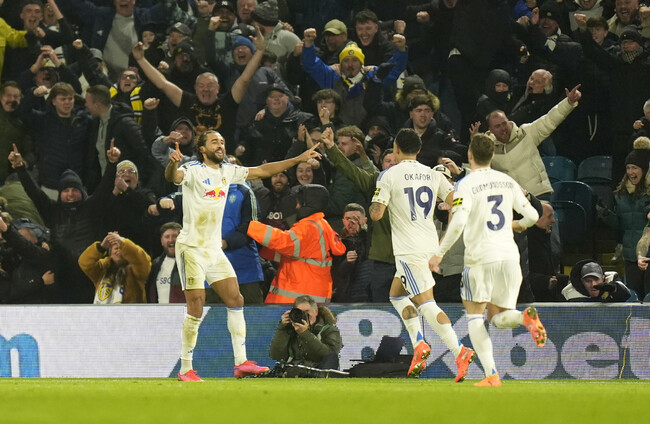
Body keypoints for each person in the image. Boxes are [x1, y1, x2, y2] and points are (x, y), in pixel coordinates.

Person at [166, 129, 321, 381]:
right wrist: (172, 165)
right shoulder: (193, 169)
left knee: (235, 299)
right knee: (196, 305)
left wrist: (297, 159)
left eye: (222, 141)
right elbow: (174, 177)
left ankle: (241, 363)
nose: (220, 145)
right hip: (191, 248)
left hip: (213, 249)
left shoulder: (228, 171)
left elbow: (262, 171)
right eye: (214, 141)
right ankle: (185, 369)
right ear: (202, 148)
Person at [429, 133, 545, 387]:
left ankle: (491, 375)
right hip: (509, 258)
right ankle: (523, 318)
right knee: (498, 317)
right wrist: (517, 225)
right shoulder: (507, 181)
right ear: (492, 155)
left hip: (480, 258)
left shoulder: (466, 184)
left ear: (470, 155)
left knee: (474, 316)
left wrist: (439, 253)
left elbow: (458, 221)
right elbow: (534, 216)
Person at [369, 128, 475, 381]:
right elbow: (458, 200)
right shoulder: (433, 174)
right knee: (396, 296)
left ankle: (459, 350)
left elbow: (376, 214)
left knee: (427, 304)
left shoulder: (388, 175)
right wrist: (449, 228)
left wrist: (376, 200)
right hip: (428, 245)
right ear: (418, 150)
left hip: (409, 250)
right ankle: (419, 343)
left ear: (396, 149)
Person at [248, 184, 346, 303]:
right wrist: (263, 250)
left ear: (307, 204)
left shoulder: (310, 227)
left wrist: (251, 226)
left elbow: (284, 242)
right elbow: (296, 255)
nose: (296, 206)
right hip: (310, 295)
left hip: (296, 299)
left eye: (299, 202)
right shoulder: (321, 224)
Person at [484, 84, 582, 199]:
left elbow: (549, 120)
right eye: (497, 126)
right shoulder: (488, 148)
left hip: (539, 194)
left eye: (504, 123)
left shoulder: (526, 133)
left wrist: (568, 103)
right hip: (514, 201)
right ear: (491, 130)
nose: (503, 128)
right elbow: (477, 169)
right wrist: (475, 143)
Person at [613, 137, 650, 299]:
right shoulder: (621, 195)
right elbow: (621, 225)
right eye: (628, 168)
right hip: (631, 255)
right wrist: (607, 216)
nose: (630, 172)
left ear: (645, 169)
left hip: (647, 255)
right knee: (634, 298)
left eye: (634, 167)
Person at [269, 295, 342, 372]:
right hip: (294, 370)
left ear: (316, 311)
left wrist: (305, 334)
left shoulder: (330, 329)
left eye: (307, 312)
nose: (304, 315)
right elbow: (276, 355)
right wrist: (282, 328)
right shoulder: (291, 329)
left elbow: (329, 356)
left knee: (331, 358)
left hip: (317, 371)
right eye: (300, 312)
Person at [78, 231, 151, 304]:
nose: (119, 251)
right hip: (102, 311)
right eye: (116, 248)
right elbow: (84, 262)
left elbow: (142, 260)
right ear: (110, 253)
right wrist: (101, 247)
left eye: (121, 249)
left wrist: (123, 242)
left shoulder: (136, 269)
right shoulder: (102, 268)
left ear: (127, 252)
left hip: (130, 311)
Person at [146, 222, 185, 304]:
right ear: (162, 241)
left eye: (175, 236)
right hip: (159, 311)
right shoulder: (155, 265)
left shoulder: (190, 264)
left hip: (182, 311)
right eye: (167, 237)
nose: (171, 240)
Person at [562, 260, 633, 302]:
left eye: (596, 279)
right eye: (588, 281)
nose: (593, 284)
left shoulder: (612, 280)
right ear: (582, 281)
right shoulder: (570, 294)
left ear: (603, 278)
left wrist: (614, 289)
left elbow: (626, 295)